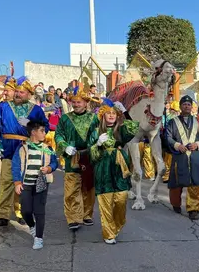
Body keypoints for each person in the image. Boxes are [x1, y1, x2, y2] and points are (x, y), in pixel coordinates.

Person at [0, 76, 49, 227]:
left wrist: (31, 125)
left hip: (27, 150)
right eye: (16, 91)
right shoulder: (3, 106)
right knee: (6, 182)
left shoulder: (35, 110)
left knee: (27, 183)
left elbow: (45, 128)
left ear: (29, 94)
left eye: (22, 92)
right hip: (8, 148)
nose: (17, 94)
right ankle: (2, 214)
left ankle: (23, 212)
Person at [88, 98, 139, 244]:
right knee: (105, 203)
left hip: (119, 169)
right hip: (103, 169)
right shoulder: (96, 131)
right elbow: (91, 156)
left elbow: (133, 128)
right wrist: (97, 144)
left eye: (114, 113)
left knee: (121, 200)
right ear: (103, 116)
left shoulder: (121, 130)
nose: (111, 116)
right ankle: (108, 233)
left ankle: (116, 226)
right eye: (108, 113)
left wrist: (124, 112)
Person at [55, 88, 97, 230]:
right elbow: (58, 135)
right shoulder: (65, 118)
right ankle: (73, 217)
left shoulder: (93, 118)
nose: (76, 105)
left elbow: (99, 134)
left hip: (89, 157)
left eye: (79, 102)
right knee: (72, 188)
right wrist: (64, 146)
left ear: (85, 103)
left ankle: (87, 214)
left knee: (88, 187)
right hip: (71, 157)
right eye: (74, 102)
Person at [13, 121, 58, 250]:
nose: (45, 133)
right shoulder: (22, 148)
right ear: (33, 132)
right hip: (26, 183)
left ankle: (39, 238)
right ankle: (32, 226)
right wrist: (17, 182)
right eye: (42, 131)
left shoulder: (47, 148)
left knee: (39, 211)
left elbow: (55, 163)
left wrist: (49, 168)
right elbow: (16, 166)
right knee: (25, 211)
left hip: (41, 184)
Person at [165, 95, 199, 220]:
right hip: (179, 155)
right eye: (184, 104)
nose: (186, 106)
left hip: (194, 155)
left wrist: (197, 144)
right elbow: (168, 137)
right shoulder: (172, 122)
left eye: (188, 104)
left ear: (191, 107)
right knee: (176, 181)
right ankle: (176, 204)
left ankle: (193, 209)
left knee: (195, 181)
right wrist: (177, 145)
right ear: (180, 106)